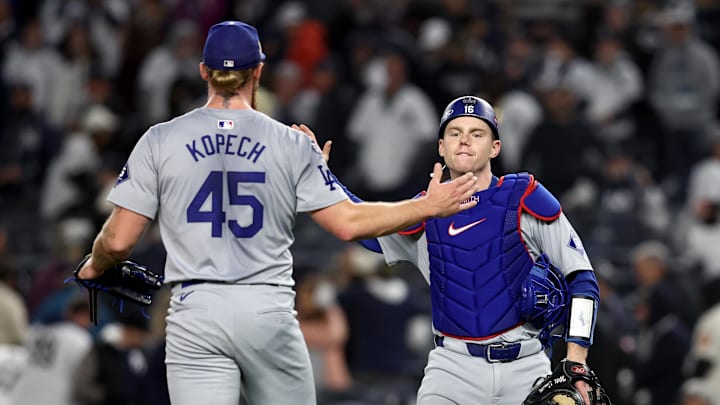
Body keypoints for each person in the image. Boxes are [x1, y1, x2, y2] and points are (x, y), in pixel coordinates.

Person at [74, 21, 479, 405]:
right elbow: (348, 223)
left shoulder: (159, 139)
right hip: (265, 307)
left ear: (203, 71)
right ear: (259, 71)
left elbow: (118, 240)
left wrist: (95, 265)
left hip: (194, 311)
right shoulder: (291, 144)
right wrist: (424, 206)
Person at [299, 95, 603, 404]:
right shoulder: (421, 211)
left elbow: (582, 279)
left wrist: (576, 361)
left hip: (526, 366)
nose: (464, 141)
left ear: (495, 147)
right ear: (441, 147)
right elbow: (359, 224)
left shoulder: (523, 197)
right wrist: (319, 177)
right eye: (455, 133)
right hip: (453, 368)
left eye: (477, 133)